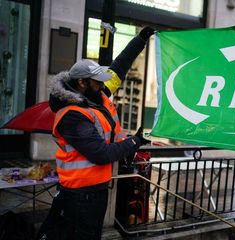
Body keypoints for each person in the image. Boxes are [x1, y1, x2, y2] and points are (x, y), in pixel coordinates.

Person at [37, 27, 155, 240]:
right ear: (82, 83)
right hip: (80, 196)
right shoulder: (72, 115)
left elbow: (119, 68)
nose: (102, 85)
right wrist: (134, 142)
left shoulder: (95, 94)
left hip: (96, 190)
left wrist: (140, 40)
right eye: (97, 81)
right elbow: (101, 154)